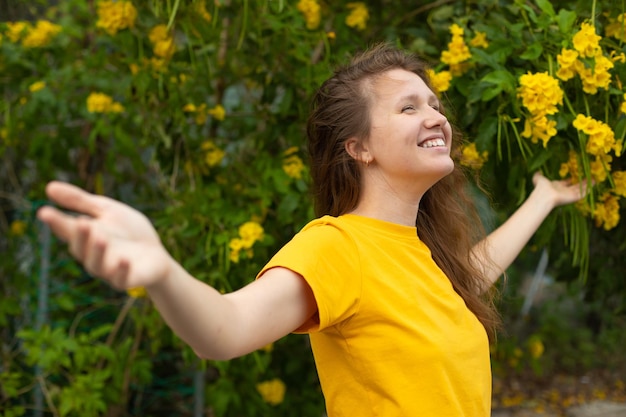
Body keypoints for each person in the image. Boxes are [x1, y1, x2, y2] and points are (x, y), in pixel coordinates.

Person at [37, 43, 586, 416]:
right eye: (408, 107)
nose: (436, 117)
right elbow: (224, 329)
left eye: (435, 105)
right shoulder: (337, 246)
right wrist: (162, 272)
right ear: (359, 147)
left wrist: (544, 197)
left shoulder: (423, 252)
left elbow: (475, 272)